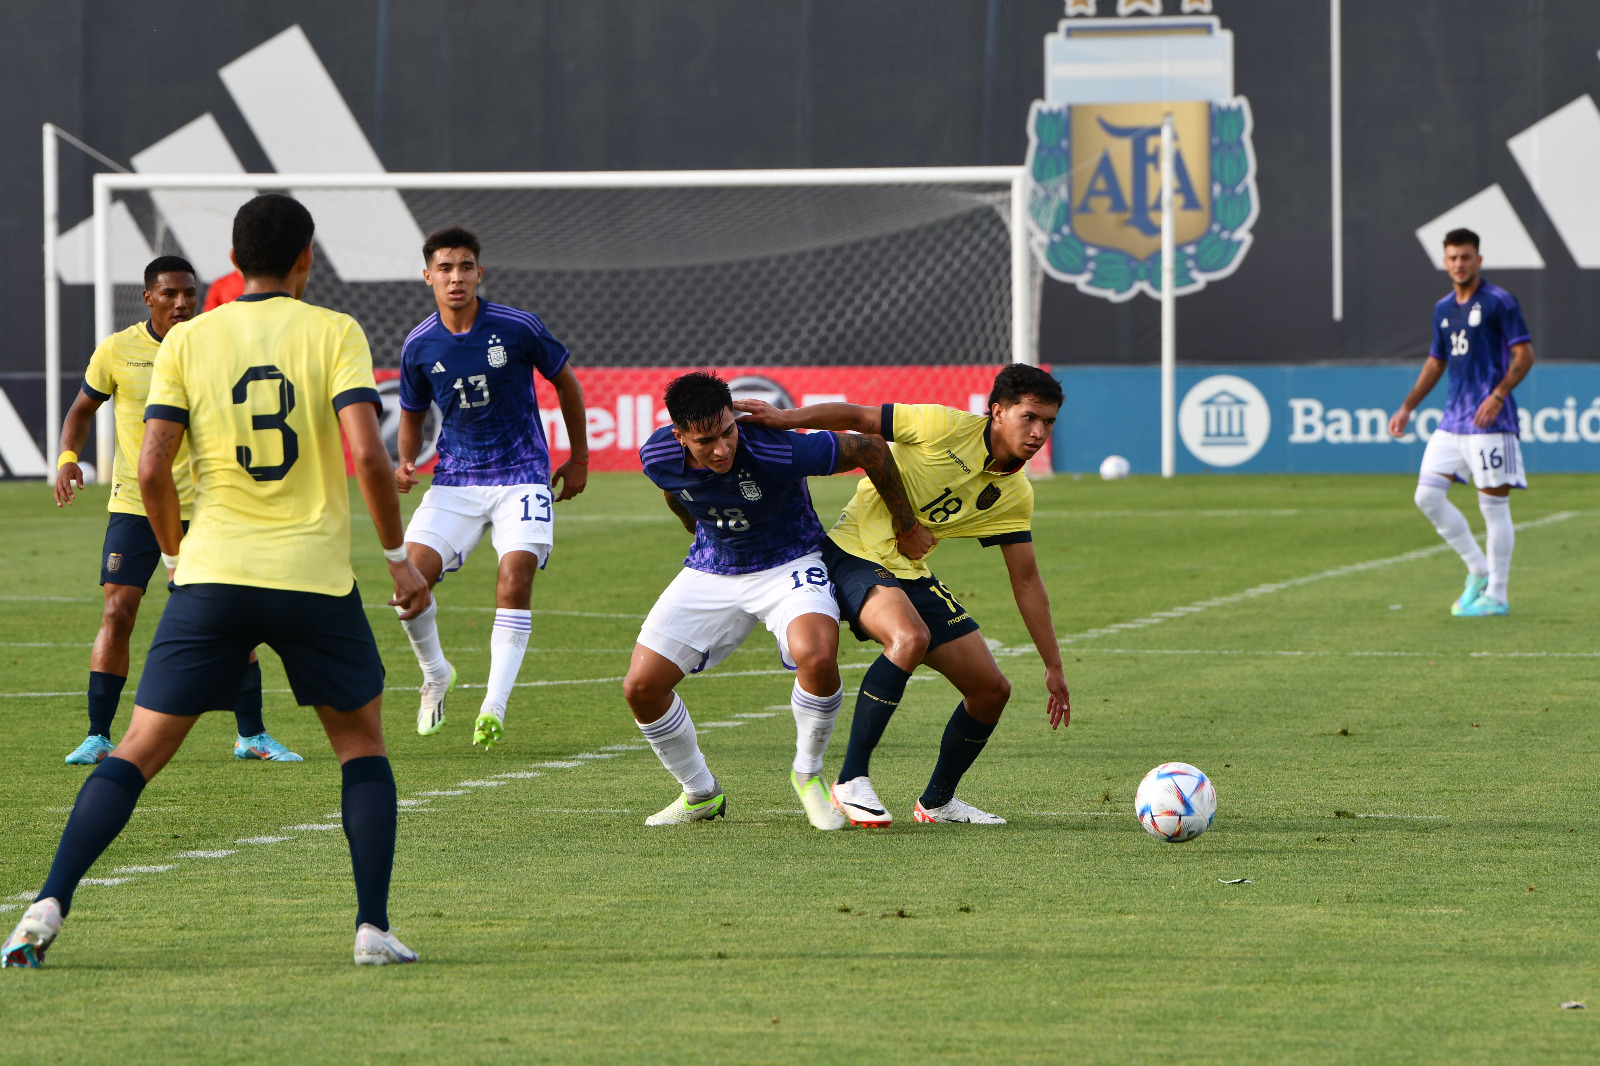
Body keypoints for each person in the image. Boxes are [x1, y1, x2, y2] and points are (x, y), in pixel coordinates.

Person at [4, 194, 431, 969]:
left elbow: (150, 467)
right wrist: (398, 555)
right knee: (360, 747)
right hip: (311, 575)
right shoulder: (335, 331)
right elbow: (369, 455)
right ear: (306, 258)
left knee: (138, 749)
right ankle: (371, 928)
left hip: (213, 574)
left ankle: (46, 904)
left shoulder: (189, 340)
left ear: (233, 261)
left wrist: (175, 558)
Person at [736, 363, 1071, 826]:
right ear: (997, 411)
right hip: (851, 552)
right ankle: (851, 780)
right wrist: (785, 417)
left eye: (1048, 422)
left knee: (990, 691)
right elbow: (858, 417)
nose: (1038, 433)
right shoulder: (944, 425)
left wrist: (1053, 666)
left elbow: (1027, 579)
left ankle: (937, 803)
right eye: (1028, 417)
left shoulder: (1015, 494)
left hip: (909, 571)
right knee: (908, 638)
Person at [624, 371, 924, 829]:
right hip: (712, 568)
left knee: (817, 654)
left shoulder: (774, 447)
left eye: (727, 431)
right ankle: (700, 793)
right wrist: (696, 530)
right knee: (641, 688)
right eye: (705, 441)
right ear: (679, 436)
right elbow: (674, 490)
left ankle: (808, 772)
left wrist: (907, 525)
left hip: (790, 562)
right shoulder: (657, 454)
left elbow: (871, 448)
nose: (722, 449)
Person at [52, 255, 300, 765]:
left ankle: (251, 735)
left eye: (189, 292)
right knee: (117, 612)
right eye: (169, 293)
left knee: (234, 617)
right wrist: (68, 458)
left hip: (209, 506)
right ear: (148, 297)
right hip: (135, 506)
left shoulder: (216, 345)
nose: (181, 302)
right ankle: (98, 736)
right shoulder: (117, 350)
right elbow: (80, 411)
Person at [394, 227, 590, 750]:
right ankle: (436, 673)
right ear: (428, 276)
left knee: (514, 577)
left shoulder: (518, 327)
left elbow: (566, 382)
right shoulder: (419, 344)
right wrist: (406, 461)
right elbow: (412, 412)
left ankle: (493, 706)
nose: (455, 277)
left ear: (479, 272)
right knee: (407, 589)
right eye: (445, 268)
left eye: (465, 266)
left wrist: (579, 457)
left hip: (522, 474)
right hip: (455, 481)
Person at [1388, 227, 1535, 617]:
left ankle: (1497, 595)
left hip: (1490, 421)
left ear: (1478, 260)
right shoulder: (1443, 308)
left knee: (1494, 508)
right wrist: (1407, 407)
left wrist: (1498, 395)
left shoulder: (1499, 301)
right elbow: (1436, 362)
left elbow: (1524, 355)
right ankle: (1478, 569)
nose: (1459, 264)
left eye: (1466, 257)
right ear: (1445, 261)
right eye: (1452, 257)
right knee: (1427, 496)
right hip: (1453, 420)